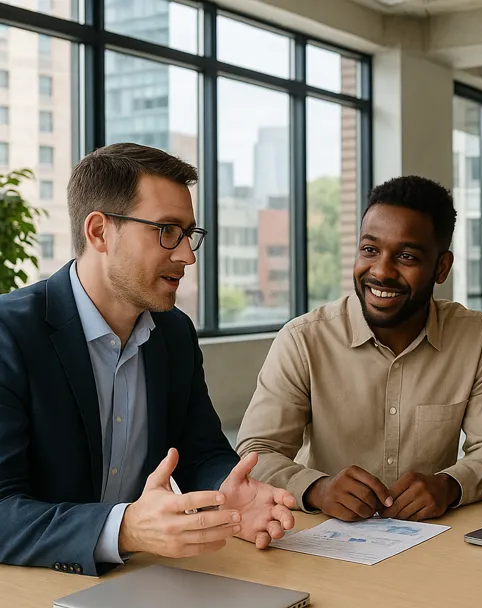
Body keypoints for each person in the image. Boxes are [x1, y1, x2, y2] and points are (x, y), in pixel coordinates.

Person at [0, 142, 295, 576]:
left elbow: (201, 452)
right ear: (99, 232)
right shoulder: (10, 333)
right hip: (28, 590)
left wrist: (226, 492)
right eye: (166, 231)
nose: (187, 255)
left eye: (189, 234)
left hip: (137, 580)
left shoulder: (173, 333)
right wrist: (124, 529)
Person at [237, 175, 482, 522]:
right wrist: (317, 489)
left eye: (406, 256)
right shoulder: (303, 340)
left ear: (441, 267)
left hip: (434, 534)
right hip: (325, 535)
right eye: (369, 250)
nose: (381, 271)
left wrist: (450, 484)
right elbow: (256, 452)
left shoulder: (478, 338)